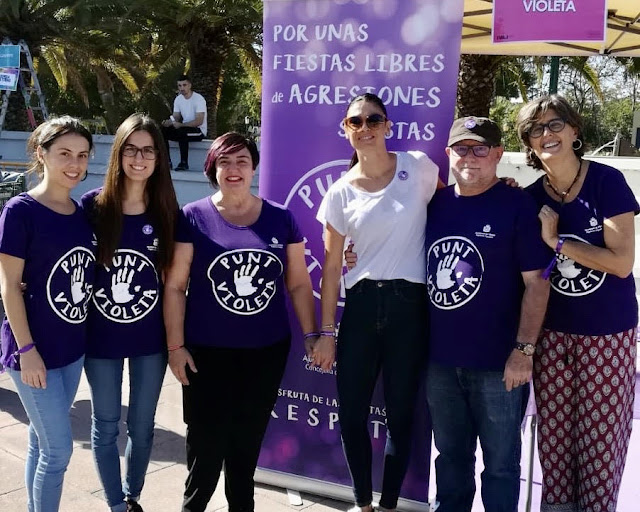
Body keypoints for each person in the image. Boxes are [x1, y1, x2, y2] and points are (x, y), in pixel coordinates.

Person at [163, 132, 317, 512]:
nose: (233, 169)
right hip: (206, 354)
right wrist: (175, 347)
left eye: (242, 161)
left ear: (254, 168)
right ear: (212, 168)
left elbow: (299, 284)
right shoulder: (192, 216)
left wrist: (312, 334)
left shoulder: (282, 218)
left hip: (265, 353)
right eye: (225, 161)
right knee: (205, 449)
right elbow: (175, 286)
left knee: (246, 449)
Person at [314, 93, 442, 512]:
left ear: (388, 126)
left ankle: (388, 506)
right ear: (345, 130)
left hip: (410, 308)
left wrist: (502, 188)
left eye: (373, 119)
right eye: (356, 121)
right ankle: (363, 503)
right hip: (362, 308)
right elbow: (331, 268)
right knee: (352, 414)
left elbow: (456, 208)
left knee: (400, 416)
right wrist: (327, 332)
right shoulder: (339, 192)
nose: (365, 127)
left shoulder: (417, 167)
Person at [516, 95, 638, 512]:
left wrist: (558, 242)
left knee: (600, 447)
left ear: (574, 130)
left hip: (607, 335)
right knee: (553, 447)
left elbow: (621, 263)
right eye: (536, 129)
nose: (546, 134)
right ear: (528, 143)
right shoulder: (530, 198)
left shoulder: (607, 182)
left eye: (555, 124)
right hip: (551, 337)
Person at [422, 117, 550, 512]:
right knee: (450, 458)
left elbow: (537, 283)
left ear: (497, 154)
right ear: (448, 153)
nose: (470, 157)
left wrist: (523, 352)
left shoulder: (517, 205)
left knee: (500, 467)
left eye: (480, 149)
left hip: (499, 365)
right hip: (440, 362)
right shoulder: (434, 204)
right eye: (462, 148)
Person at [81, 114, 178, 512]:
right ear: (118, 154)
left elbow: (177, 278)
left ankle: (132, 495)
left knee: (142, 425)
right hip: (100, 339)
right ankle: (115, 504)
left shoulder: (167, 211)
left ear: (158, 157)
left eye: (148, 150)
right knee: (105, 426)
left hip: (149, 340)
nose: (139, 159)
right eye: (131, 149)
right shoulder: (92, 207)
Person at [0, 116, 96, 512]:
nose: (75, 164)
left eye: (82, 155)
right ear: (42, 154)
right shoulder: (20, 211)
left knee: (41, 443)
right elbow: (9, 286)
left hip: (71, 348)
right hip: (32, 351)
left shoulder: (82, 212)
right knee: (58, 450)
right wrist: (27, 350)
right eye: (65, 154)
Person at [161, 74, 207, 171]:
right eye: (179, 85)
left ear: (190, 85)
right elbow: (176, 116)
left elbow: (199, 121)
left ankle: (184, 163)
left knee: (182, 132)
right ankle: (167, 162)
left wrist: (181, 125)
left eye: (184, 85)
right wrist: (169, 122)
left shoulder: (199, 99)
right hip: (184, 129)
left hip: (198, 131)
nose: (182, 88)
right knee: (163, 131)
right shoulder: (178, 99)